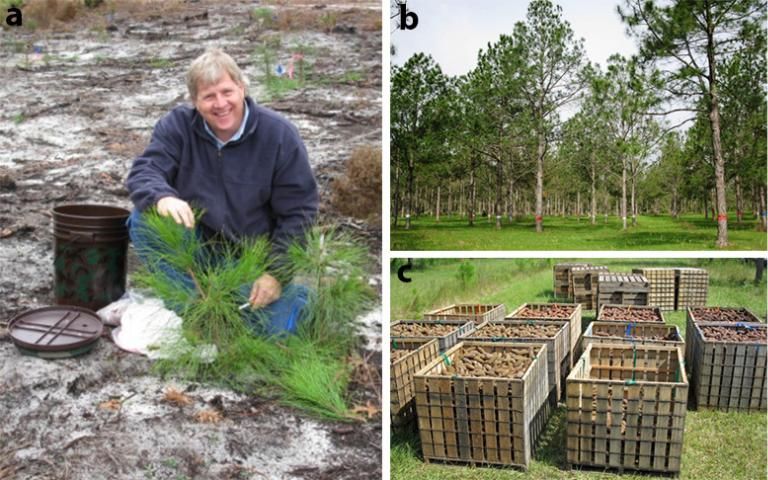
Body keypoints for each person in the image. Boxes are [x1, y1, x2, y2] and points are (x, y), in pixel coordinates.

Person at [125, 48, 318, 335]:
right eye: (209, 96)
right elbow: (145, 169)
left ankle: (257, 306)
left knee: (281, 326)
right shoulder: (177, 127)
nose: (220, 104)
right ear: (195, 101)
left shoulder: (278, 135)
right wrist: (163, 197)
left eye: (227, 92)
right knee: (143, 221)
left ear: (242, 88)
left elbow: (299, 212)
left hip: (250, 260)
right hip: (197, 249)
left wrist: (275, 274)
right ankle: (197, 311)